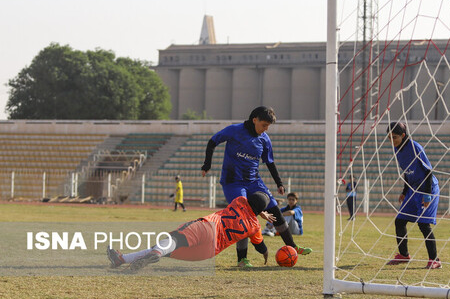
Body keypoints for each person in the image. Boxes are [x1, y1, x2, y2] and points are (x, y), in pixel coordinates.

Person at [200, 106, 312, 267]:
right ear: (255, 120)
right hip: (233, 182)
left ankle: (292, 247)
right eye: (264, 125)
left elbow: (270, 163)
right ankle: (242, 259)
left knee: (275, 210)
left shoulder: (264, 139)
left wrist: (279, 183)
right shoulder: (234, 130)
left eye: (268, 126)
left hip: (254, 181)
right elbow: (212, 142)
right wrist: (207, 164)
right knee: (242, 217)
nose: (266, 129)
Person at [107, 192, 276, 271]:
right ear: (260, 209)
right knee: (166, 249)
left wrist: (258, 210)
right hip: (208, 252)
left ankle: (156, 252)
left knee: (174, 239)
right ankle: (121, 260)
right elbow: (260, 245)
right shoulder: (255, 226)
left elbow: (247, 199)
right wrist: (266, 254)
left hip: (208, 227)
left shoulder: (239, 200)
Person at [386, 122, 441, 269]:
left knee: (423, 224)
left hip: (427, 189)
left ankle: (435, 260)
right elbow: (407, 171)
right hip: (412, 189)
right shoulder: (397, 149)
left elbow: (428, 171)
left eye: (395, 137)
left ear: (403, 135)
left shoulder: (415, 147)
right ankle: (404, 255)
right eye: (389, 137)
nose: (392, 140)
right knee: (400, 221)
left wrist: (427, 195)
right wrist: (404, 192)